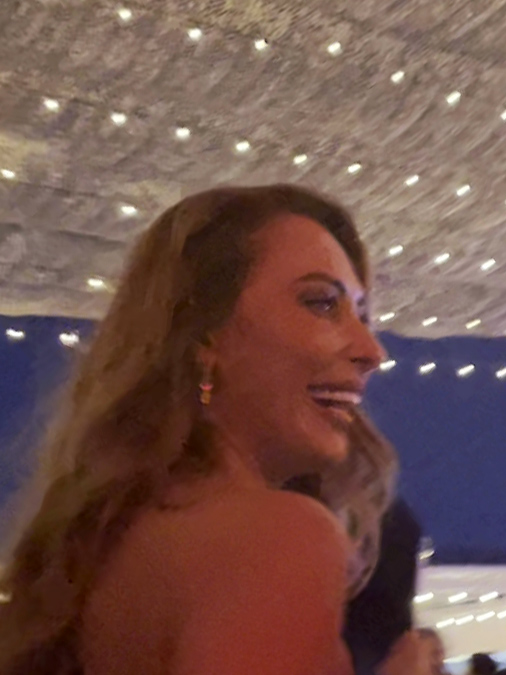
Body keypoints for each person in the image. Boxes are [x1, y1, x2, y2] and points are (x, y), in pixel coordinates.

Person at [0, 184, 390, 674]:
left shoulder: (106, 546)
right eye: (321, 303)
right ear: (205, 333)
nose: (371, 351)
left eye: (362, 315)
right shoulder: (278, 538)